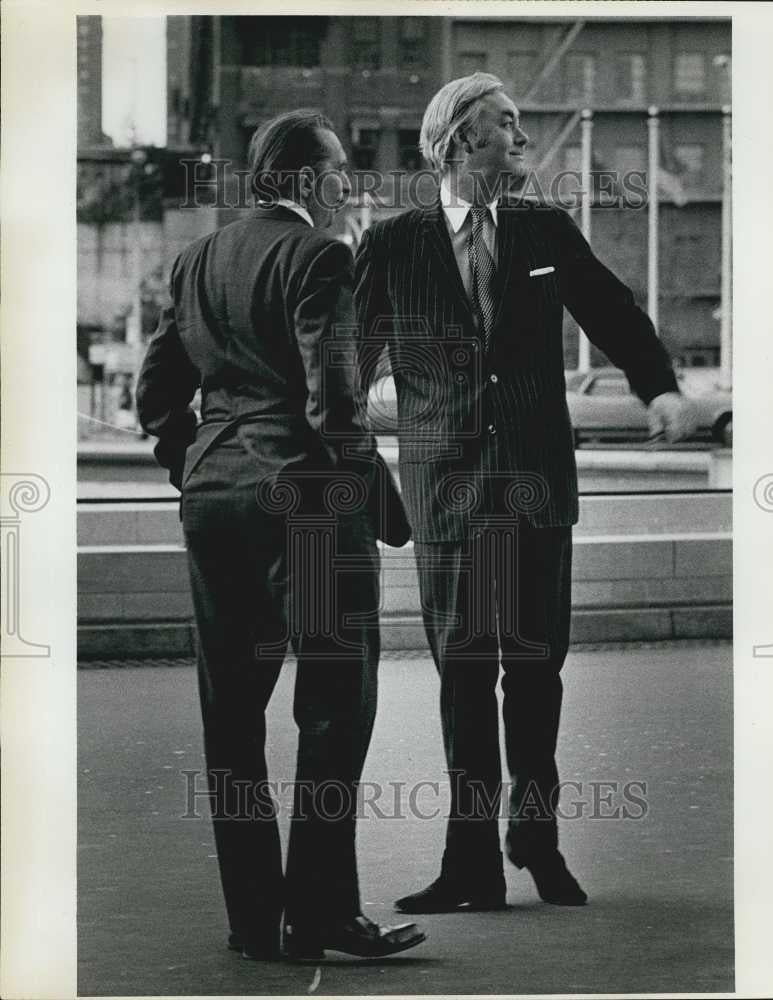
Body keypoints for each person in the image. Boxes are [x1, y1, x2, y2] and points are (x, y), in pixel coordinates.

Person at [354, 73, 697, 914]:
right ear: (460, 140)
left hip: (536, 488)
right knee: (463, 679)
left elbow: (612, 313)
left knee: (537, 673)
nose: (522, 138)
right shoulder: (393, 245)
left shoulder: (544, 228)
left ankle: (535, 841)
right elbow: (345, 365)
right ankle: (469, 863)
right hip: (448, 498)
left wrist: (660, 388)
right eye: (505, 125)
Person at [136, 110, 425, 962]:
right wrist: (374, 499)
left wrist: (200, 468)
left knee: (231, 718)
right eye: (340, 171)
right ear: (304, 180)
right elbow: (334, 402)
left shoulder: (198, 261)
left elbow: (157, 397)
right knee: (335, 710)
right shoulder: (318, 257)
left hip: (215, 502)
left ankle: (256, 920)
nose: (352, 185)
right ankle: (324, 914)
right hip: (307, 505)